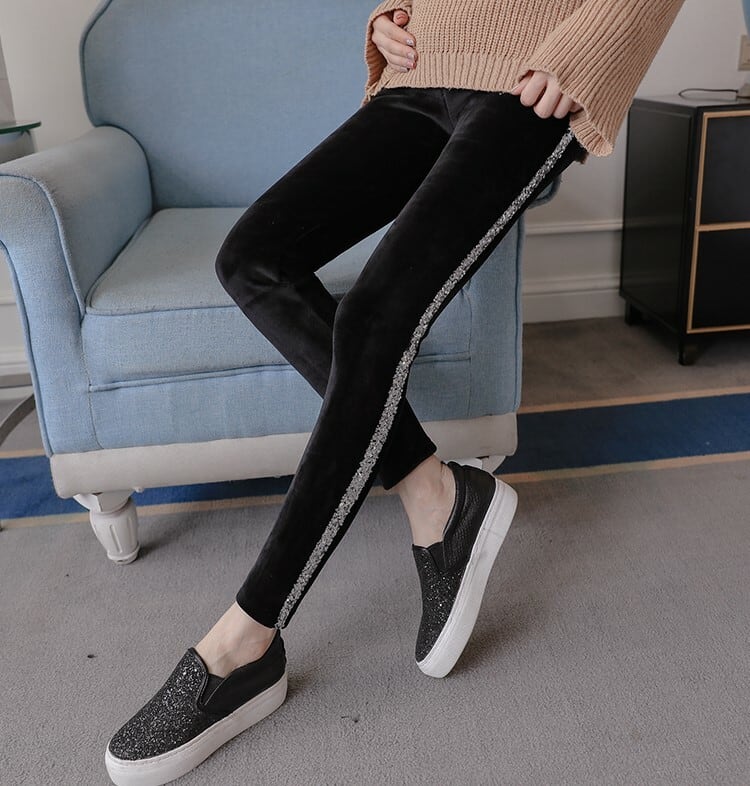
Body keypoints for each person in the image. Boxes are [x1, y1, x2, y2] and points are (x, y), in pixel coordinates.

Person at [104, 1, 685, 784]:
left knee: (376, 315)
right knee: (252, 257)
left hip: (535, 71)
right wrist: (390, 13)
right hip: (425, 63)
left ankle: (245, 641)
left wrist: (595, 44)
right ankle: (435, 494)